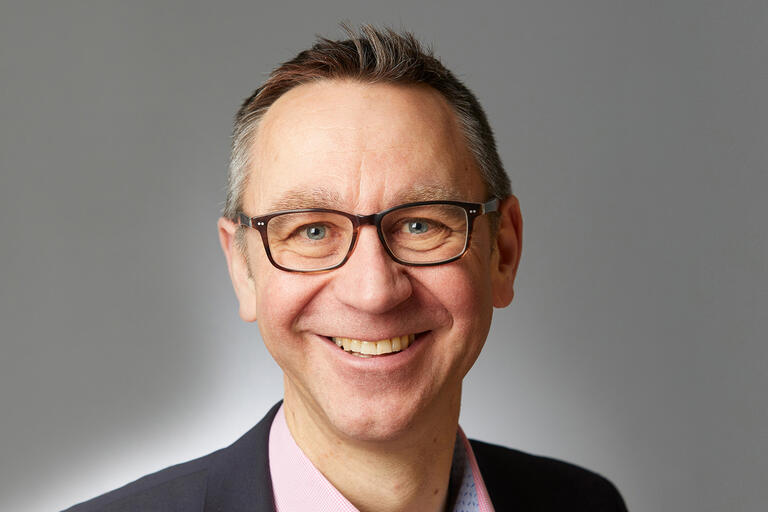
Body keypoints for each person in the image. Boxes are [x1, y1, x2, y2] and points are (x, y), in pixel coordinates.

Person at [66, 25, 627, 512]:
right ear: (243, 268)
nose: (373, 292)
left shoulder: (585, 505)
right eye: (312, 231)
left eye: (420, 225)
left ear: (502, 252)